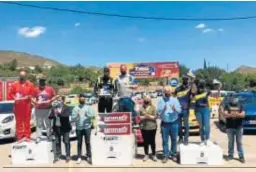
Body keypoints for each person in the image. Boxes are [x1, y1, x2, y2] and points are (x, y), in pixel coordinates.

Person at [8, 69, 34, 142]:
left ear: (26, 76)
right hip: (18, 106)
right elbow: (10, 94)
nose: (22, 77)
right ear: (19, 76)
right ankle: (20, 136)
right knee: (19, 122)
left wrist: (29, 97)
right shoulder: (14, 84)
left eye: (24, 76)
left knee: (27, 122)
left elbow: (32, 94)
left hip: (27, 106)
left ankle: (27, 136)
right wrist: (15, 97)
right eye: (21, 76)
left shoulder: (30, 84)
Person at [157, 86, 181, 163]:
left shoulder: (175, 100)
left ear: (171, 92)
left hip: (174, 123)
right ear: (164, 92)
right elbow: (159, 114)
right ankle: (165, 155)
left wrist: (175, 109)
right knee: (165, 140)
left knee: (174, 140)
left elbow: (179, 111)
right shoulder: (161, 100)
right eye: (166, 91)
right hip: (165, 124)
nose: (167, 92)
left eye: (169, 91)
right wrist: (163, 110)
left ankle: (173, 154)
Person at [32, 74, 58, 142]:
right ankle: (38, 137)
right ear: (39, 82)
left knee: (48, 124)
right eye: (40, 82)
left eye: (43, 81)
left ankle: (49, 137)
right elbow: (33, 98)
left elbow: (55, 96)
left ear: (45, 82)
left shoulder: (50, 89)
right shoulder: (35, 89)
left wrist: (51, 100)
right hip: (38, 109)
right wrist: (34, 102)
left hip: (48, 109)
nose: (42, 83)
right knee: (38, 124)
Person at [72, 94, 95, 164]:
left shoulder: (88, 107)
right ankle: (79, 157)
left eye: (83, 99)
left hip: (87, 127)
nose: (82, 100)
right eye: (81, 98)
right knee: (79, 143)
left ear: (85, 100)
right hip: (79, 128)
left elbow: (93, 116)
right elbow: (72, 118)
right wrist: (76, 116)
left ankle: (88, 156)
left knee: (87, 142)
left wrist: (87, 115)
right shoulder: (75, 108)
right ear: (79, 100)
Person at [48, 96, 71, 163]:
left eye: (60, 100)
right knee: (57, 142)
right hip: (56, 128)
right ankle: (58, 155)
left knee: (66, 142)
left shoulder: (67, 107)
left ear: (63, 101)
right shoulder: (54, 108)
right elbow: (49, 117)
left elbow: (67, 115)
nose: (58, 101)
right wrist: (54, 114)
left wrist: (59, 114)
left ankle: (67, 156)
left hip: (65, 128)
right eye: (58, 100)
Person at [223, 97, 245, 163]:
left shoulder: (240, 105)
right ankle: (230, 155)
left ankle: (241, 156)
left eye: (235, 98)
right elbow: (225, 114)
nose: (234, 99)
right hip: (229, 127)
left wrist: (235, 114)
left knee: (239, 142)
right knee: (230, 142)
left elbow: (243, 115)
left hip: (239, 127)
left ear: (237, 98)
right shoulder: (227, 105)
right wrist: (232, 114)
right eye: (232, 98)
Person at [139, 96, 158, 162]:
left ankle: (153, 154)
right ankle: (146, 154)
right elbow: (139, 117)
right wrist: (145, 117)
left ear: (150, 100)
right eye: (145, 99)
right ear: (144, 100)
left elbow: (155, 117)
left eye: (148, 99)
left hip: (152, 127)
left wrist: (148, 116)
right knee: (145, 142)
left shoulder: (153, 107)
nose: (146, 100)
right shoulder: (141, 108)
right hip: (143, 127)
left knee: (152, 141)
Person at [194, 79, 212, 145]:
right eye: (200, 83)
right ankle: (202, 140)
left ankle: (207, 139)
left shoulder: (207, 90)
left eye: (203, 83)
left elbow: (212, 93)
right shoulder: (196, 91)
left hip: (205, 109)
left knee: (207, 125)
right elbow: (193, 96)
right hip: (198, 109)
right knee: (201, 126)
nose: (201, 85)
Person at [174, 76, 191, 145]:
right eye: (184, 80)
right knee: (179, 125)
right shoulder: (177, 89)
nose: (185, 81)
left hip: (186, 109)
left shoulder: (189, 89)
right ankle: (180, 138)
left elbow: (193, 95)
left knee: (186, 125)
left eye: (186, 80)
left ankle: (186, 139)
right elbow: (174, 98)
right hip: (178, 110)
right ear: (182, 80)